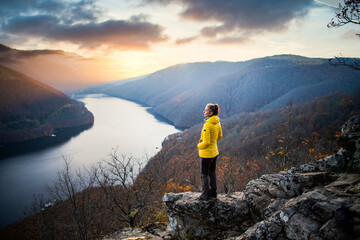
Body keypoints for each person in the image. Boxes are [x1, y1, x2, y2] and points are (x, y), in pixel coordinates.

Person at [197, 103, 223, 201]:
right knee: (212, 173)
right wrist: (213, 142)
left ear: (211, 112)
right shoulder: (217, 122)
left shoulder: (207, 125)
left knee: (204, 174)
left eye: (206, 110)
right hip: (214, 152)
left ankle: (205, 196)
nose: (204, 111)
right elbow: (220, 136)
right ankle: (213, 193)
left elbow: (206, 142)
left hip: (206, 154)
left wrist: (198, 145)